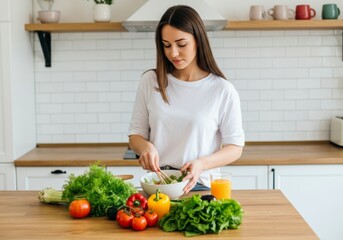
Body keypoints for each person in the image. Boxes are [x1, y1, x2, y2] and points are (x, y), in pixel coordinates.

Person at [128, 5, 245, 193]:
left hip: (199, 186)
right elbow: (135, 135)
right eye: (166, 45)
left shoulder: (222, 90)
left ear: (198, 40)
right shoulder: (151, 81)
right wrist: (145, 147)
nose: (173, 53)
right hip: (158, 184)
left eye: (181, 44)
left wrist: (201, 163)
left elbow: (235, 147)